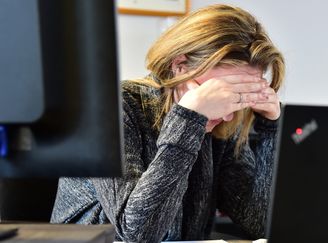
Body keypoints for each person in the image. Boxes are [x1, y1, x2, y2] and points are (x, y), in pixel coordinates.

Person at [50, 4, 285, 242]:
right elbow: (139, 234)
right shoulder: (113, 108)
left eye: (237, 98)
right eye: (216, 92)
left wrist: (272, 130)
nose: (226, 114)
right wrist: (189, 120)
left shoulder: (224, 121)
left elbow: (260, 224)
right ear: (179, 65)